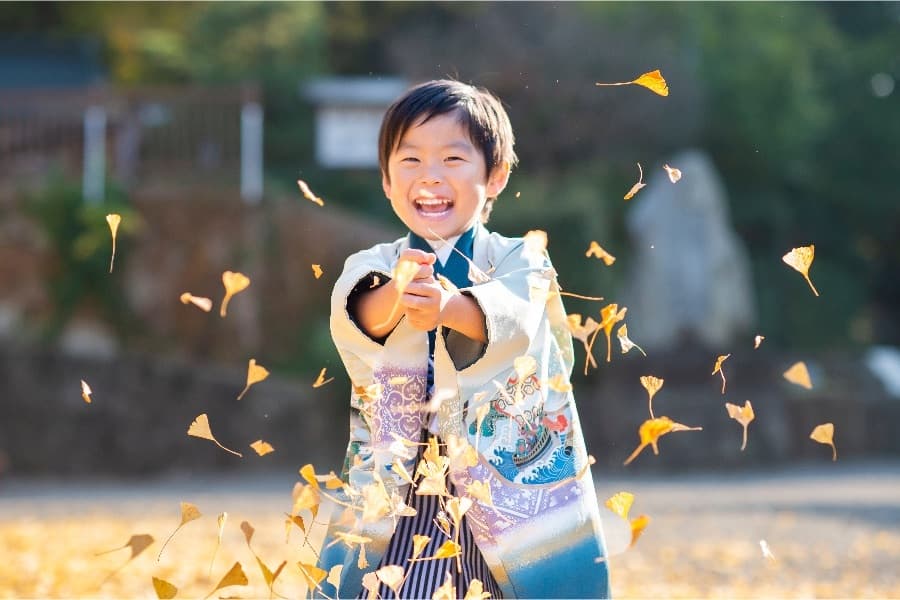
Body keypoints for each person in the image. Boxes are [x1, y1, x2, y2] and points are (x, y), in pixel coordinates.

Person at [319, 79, 611, 599]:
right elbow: (356, 312)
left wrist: (451, 308)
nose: (429, 177)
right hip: (404, 492)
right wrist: (400, 293)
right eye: (409, 161)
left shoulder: (522, 257)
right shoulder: (376, 265)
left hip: (506, 491)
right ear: (386, 181)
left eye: (453, 159)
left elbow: (517, 321)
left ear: (495, 176)